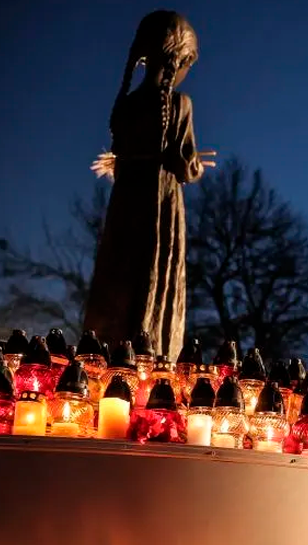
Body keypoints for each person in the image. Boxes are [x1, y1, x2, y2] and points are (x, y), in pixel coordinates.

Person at [83, 10, 216, 361]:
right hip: (160, 205)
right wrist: (195, 166)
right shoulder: (180, 104)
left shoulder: (127, 106)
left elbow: (122, 156)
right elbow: (185, 166)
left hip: (125, 206)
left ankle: (105, 352)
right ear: (180, 60)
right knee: (153, 275)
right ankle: (150, 354)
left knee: (118, 273)